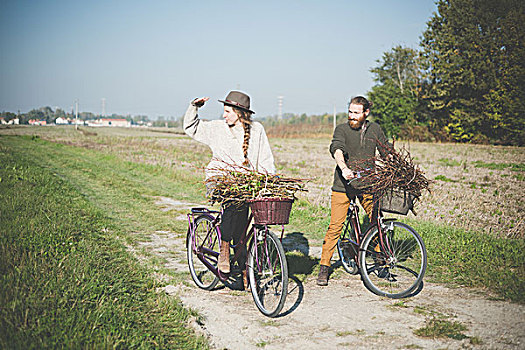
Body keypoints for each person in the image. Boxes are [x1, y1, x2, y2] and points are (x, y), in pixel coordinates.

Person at [183, 90, 276, 289]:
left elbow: (266, 159)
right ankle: (224, 250)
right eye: (224, 111)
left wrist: (268, 182)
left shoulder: (257, 130)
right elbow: (191, 127)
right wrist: (194, 107)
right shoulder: (217, 128)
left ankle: (244, 268)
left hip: (245, 183)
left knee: (242, 227)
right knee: (234, 204)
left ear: (240, 112)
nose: (224, 115)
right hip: (220, 180)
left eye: (227, 111)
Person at [317, 96, 389, 286]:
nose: (352, 116)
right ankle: (324, 266)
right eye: (350, 112)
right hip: (343, 184)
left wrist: (396, 168)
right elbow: (337, 148)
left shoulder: (375, 129)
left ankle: (381, 258)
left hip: (367, 184)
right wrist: (344, 168)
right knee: (335, 226)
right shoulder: (342, 129)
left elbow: (386, 151)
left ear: (366, 113)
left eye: (356, 113)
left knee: (377, 221)